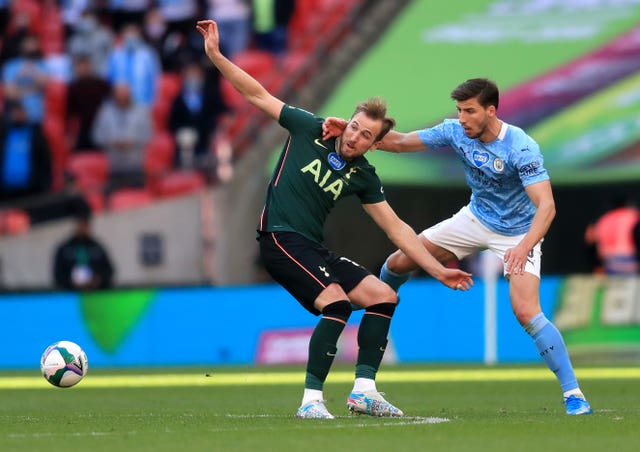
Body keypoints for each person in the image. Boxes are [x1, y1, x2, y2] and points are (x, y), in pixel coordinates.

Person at [197, 19, 473, 420]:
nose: (355, 137)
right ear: (348, 121)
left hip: (312, 247)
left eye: (365, 136)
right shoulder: (310, 127)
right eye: (355, 126)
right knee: (338, 305)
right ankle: (310, 401)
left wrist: (436, 268)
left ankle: (364, 391)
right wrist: (217, 56)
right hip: (278, 239)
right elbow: (257, 94)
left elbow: (396, 228)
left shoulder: (363, 176)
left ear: (375, 145)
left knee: (384, 295)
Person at [323, 78, 593, 416]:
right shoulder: (455, 131)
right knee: (395, 264)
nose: (462, 118)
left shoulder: (521, 147)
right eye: (459, 111)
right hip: (475, 219)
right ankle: (376, 337)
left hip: (518, 233)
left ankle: (574, 395)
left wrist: (524, 247)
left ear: (491, 111)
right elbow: (402, 142)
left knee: (526, 311)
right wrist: (350, 130)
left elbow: (547, 207)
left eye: (469, 111)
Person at [92, 82, 153, 192]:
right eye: (119, 94)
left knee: (139, 199)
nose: (122, 97)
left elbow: (149, 134)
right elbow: (97, 136)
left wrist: (133, 141)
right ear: (114, 95)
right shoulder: (105, 112)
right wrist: (113, 142)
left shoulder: (141, 110)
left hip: (135, 166)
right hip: (113, 168)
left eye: (125, 94)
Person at [53, 201, 115, 290]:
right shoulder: (65, 249)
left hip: (96, 294)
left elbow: (109, 271)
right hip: (71, 296)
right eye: (81, 225)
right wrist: (70, 283)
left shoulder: (97, 247)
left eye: (85, 225)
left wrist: (98, 280)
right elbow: (58, 274)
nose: (83, 228)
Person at [584, 196, 640, 275]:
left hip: (608, 263)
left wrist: (596, 265)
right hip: (630, 261)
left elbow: (589, 240)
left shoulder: (603, 219)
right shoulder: (633, 216)